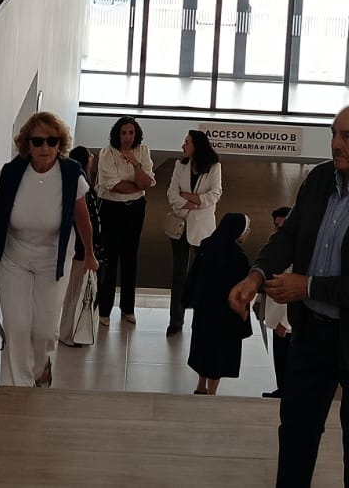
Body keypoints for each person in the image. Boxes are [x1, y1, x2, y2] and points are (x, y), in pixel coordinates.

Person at [228, 104, 349, 488]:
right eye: (334, 133)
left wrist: (307, 286)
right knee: (296, 433)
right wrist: (256, 275)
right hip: (312, 335)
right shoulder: (318, 179)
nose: (335, 144)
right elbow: (289, 236)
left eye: (347, 136)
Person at [0, 112, 97, 387]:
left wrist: (89, 254)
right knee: (17, 326)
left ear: (60, 144)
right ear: (27, 144)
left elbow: (83, 219)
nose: (45, 148)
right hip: (14, 257)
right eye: (38, 141)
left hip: (53, 258)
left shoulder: (70, 174)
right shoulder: (11, 173)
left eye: (52, 141)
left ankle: (42, 366)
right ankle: (21, 386)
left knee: (45, 330)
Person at [184, 211, 252, 394]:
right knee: (219, 355)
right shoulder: (239, 257)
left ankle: (200, 386)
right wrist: (243, 313)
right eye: (247, 230)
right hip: (226, 316)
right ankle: (212, 392)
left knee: (203, 349)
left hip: (204, 312)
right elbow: (243, 290)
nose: (248, 233)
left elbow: (194, 278)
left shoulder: (207, 247)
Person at [96, 115, 155, 326]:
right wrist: (137, 186)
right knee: (109, 259)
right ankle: (104, 310)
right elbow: (114, 185)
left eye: (131, 132)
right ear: (117, 134)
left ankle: (128, 308)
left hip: (135, 209)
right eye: (124, 133)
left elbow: (147, 183)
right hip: (111, 209)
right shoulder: (107, 153)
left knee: (130, 257)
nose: (128, 137)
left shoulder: (143, 151)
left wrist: (136, 164)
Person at [165, 129, 223, 336]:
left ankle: (203, 319)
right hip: (180, 226)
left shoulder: (214, 167)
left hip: (203, 229)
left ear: (197, 145)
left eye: (187, 142)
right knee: (179, 275)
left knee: (204, 276)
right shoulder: (180, 165)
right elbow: (172, 194)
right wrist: (192, 203)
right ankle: (176, 320)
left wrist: (190, 199)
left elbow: (215, 194)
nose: (183, 145)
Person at [57, 145, 102, 347]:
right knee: (75, 292)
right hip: (80, 247)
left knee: (74, 291)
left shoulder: (81, 181)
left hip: (80, 246)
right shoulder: (80, 184)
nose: (92, 158)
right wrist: (90, 248)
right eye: (90, 156)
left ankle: (69, 331)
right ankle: (67, 333)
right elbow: (84, 218)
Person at [259, 205, 293, 398]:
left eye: (282, 226)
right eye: (276, 225)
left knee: (289, 359)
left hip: (287, 321)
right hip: (274, 315)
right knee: (279, 358)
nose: (278, 230)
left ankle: (288, 393)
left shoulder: (299, 252)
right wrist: (259, 300)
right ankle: (282, 390)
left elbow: (296, 291)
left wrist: (286, 323)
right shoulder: (273, 248)